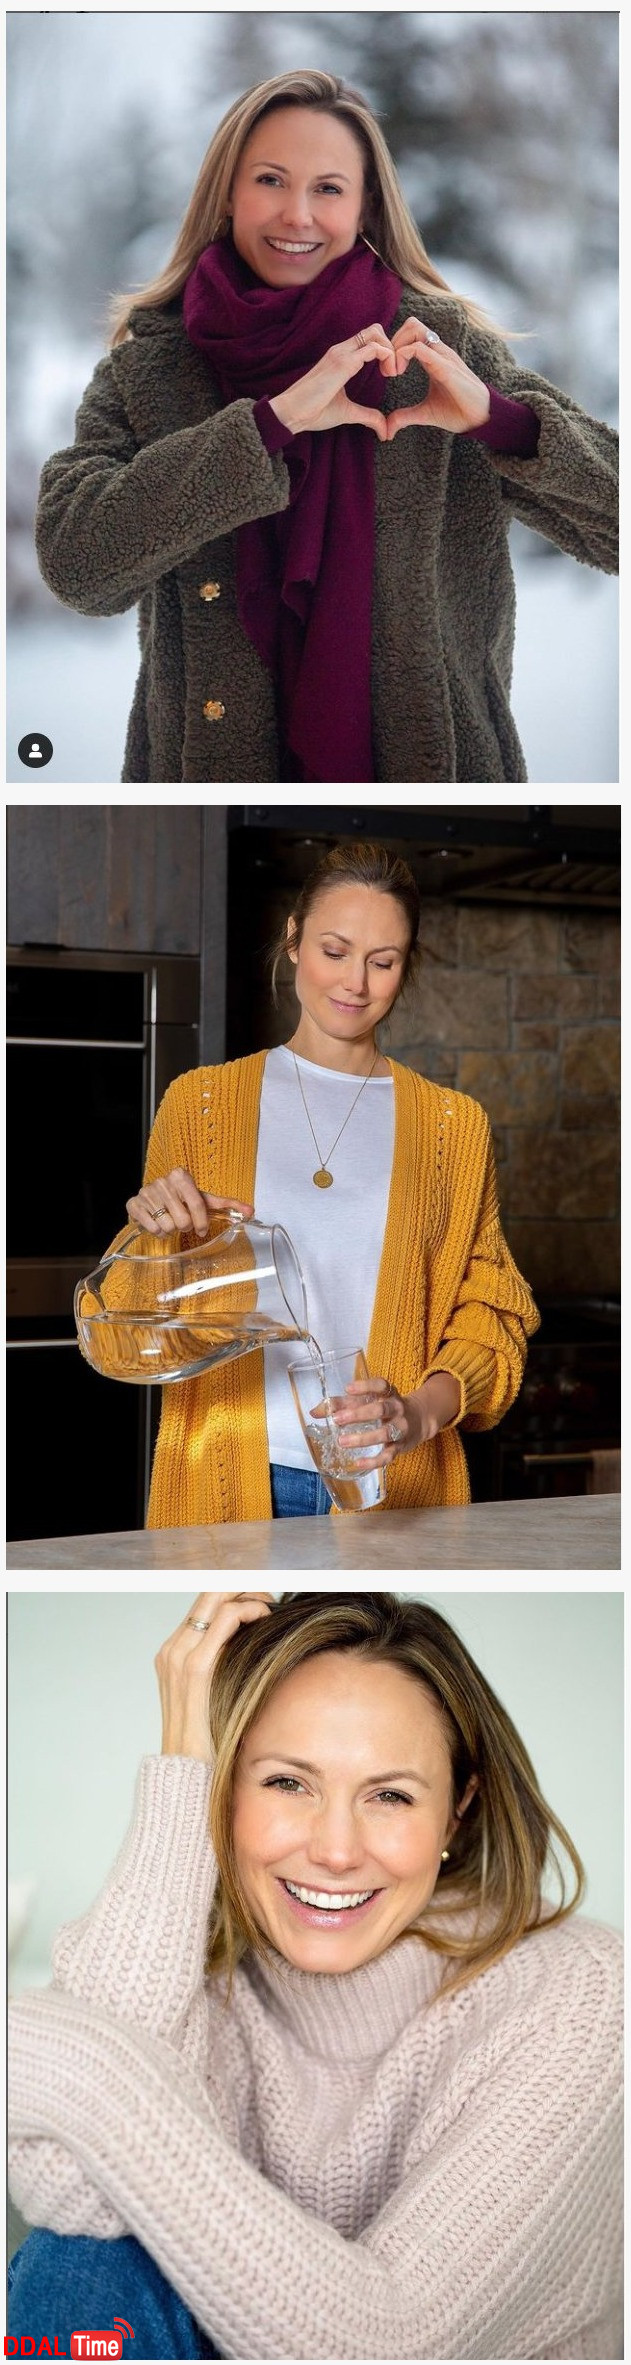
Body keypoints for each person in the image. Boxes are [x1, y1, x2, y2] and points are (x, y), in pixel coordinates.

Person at [8, 1589, 623, 2361]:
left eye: (390, 1795)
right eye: (286, 1782)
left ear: (456, 1810)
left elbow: (392, 2345)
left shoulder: (577, 1994)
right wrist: (180, 1773)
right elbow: (68, 2197)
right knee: (84, 2260)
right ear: (222, 1785)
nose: (335, 1849)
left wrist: (81, 2069)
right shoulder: (196, 1974)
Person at [34, 70, 618, 786]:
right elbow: (77, 566)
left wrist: (504, 422)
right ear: (227, 191)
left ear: (366, 205)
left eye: (329, 188)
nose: (298, 215)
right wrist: (268, 427)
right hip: (208, 801)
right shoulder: (149, 368)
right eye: (270, 180)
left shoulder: (440, 352)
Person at [92, 839, 540, 1526]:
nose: (355, 982)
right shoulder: (201, 1103)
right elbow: (125, 1333)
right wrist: (150, 1233)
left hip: (391, 1484)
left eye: (382, 962)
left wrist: (416, 1415)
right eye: (335, 951)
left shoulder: (453, 1128)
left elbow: (493, 1318)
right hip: (223, 1480)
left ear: (405, 967)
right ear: (294, 940)